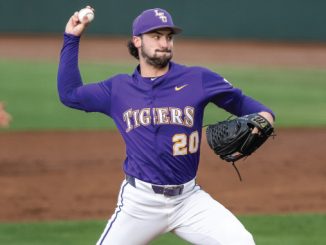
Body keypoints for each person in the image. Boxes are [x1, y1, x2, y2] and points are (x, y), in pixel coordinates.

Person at [58, 6, 274, 245]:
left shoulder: (197, 79)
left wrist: (266, 117)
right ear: (137, 41)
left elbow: (243, 103)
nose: (165, 43)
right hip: (140, 203)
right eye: (156, 36)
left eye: (169, 37)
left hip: (189, 201)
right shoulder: (118, 89)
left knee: (242, 242)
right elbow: (69, 94)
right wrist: (72, 38)